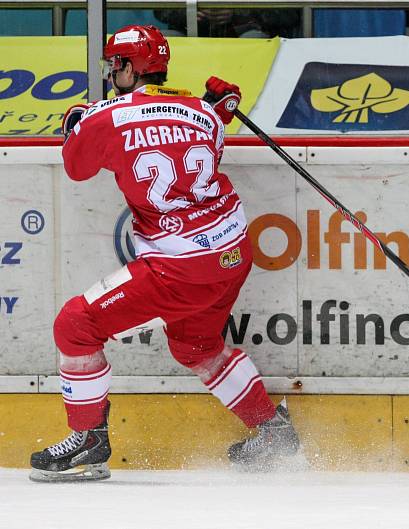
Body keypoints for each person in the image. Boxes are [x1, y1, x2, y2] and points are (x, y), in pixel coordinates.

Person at [29, 25, 299, 482]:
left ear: (132, 68)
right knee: (195, 345)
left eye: (115, 64)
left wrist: (75, 122)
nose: (111, 72)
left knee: (75, 325)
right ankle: (272, 431)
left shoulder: (104, 116)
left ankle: (89, 442)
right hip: (232, 253)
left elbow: (76, 167)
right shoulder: (204, 113)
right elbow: (200, 138)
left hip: (179, 267)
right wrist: (219, 107)